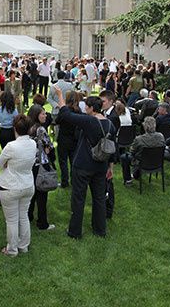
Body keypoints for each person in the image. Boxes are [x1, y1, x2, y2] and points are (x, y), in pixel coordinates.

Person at [56, 89, 116, 238]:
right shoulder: (110, 124)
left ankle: (75, 231)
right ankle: (100, 229)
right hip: (101, 167)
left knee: (78, 199)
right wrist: (110, 168)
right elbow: (113, 149)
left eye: (86, 107)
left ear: (90, 108)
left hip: (83, 166)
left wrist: (59, 95)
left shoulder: (89, 121)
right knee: (99, 198)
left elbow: (66, 114)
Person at [0, 115, 37, 256]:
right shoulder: (33, 144)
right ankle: (23, 246)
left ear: (15, 129)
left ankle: (12, 250)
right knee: (23, 216)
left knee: (12, 220)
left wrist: (9, 164)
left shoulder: (11, 146)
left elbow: (0, 164)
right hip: (27, 185)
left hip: (11, 187)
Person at [27, 104, 55, 231]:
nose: (45, 115)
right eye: (42, 113)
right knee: (42, 195)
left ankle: (28, 217)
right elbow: (49, 146)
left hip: (30, 164)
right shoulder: (41, 130)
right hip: (41, 165)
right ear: (36, 115)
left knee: (32, 193)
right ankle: (43, 223)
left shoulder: (28, 127)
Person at [120, 116, 165, 186]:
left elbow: (132, 152)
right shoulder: (161, 136)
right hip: (156, 162)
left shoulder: (139, 139)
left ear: (144, 126)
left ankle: (128, 180)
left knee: (124, 157)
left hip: (143, 162)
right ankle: (136, 174)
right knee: (139, 156)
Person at [57, 91, 81, 188]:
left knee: (63, 162)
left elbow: (57, 120)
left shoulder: (65, 110)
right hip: (74, 139)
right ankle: (74, 180)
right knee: (73, 161)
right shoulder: (78, 110)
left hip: (63, 138)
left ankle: (64, 181)